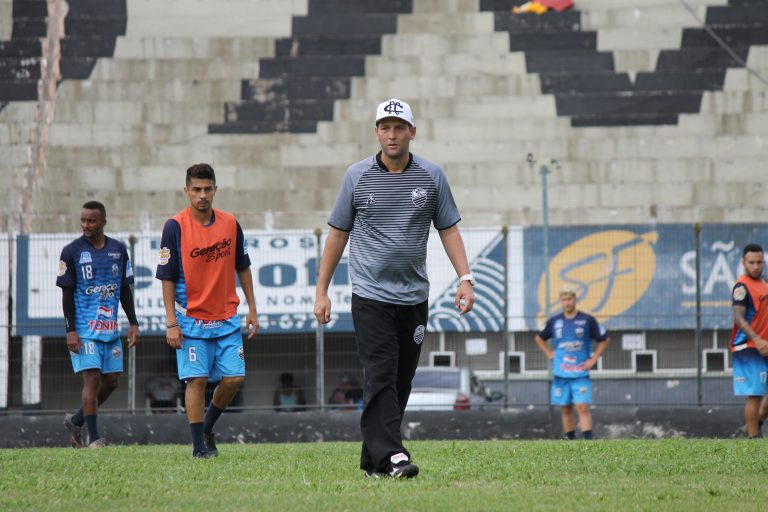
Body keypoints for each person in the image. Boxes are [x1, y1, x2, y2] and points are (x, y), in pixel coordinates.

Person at [313, 98, 476, 479]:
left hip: (414, 297)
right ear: (376, 133)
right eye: (384, 127)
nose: (391, 134)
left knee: (401, 380)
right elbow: (338, 234)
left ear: (411, 133)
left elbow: (448, 228)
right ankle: (394, 456)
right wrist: (322, 290)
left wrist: (465, 279)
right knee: (381, 373)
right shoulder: (356, 176)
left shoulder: (432, 176)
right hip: (370, 296)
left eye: (399, 127)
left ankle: (373, 462)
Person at [155, 163, 258, 458]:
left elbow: (244, 267)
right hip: (190, 319)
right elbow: (167, 277)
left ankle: (208, 425)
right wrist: (171, 322)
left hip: (226, 317)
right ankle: (199, 447)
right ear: (186, 190)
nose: (202, 195)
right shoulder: (174, 226)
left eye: (207, 189)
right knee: (197, 380)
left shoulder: (230, 223)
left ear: (215, 190)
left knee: (234, 378)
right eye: (196, 190)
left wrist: (252, 308)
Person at [57, 201, 140, 448]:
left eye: (91, 221)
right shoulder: (71, 252)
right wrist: (70, 330)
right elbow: (67, 294)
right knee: (91, 379)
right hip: (84, 331)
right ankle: (93, 438)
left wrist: (133, 323)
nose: (86, 225)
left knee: (111, 382)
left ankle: (76, 420)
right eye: (83, 220)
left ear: (103, 221)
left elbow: (125, 290)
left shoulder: (118, 249)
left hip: (110, 331)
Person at [535, 285, 610, 440]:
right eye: (564, 299)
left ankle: (588, 442)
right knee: (566, 408)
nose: (567, 302)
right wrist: (549, 353)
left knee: (582, 407)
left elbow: (604, 340)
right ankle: (571, 442)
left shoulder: (587, 320)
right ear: (560, 302)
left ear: (575, 300)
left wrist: (593, 359)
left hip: (581, 372)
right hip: (561, 373)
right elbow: (539, 337)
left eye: (570, 299)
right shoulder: (554, 321)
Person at [729, 243, 768, 438]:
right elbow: (738, 317)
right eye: (751, 262)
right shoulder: (741, 287)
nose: (756, 266)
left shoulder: (765, 284)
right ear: (744, 262)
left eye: (759, 262)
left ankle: (758, 421)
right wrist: (758, 339)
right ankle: (752, 439)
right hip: (749, 346)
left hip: (765, 345)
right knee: (755, 394)